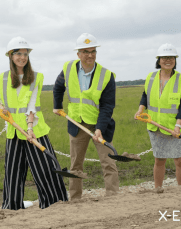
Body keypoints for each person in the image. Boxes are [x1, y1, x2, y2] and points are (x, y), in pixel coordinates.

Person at [0, 36, 68, 210]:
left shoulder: (36, 77)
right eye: (18, 53)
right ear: (11, 56)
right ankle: (12, 206)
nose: (22, 57)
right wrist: (1, 108)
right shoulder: (4, 78)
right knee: (12, 172)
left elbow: (32, 105)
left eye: (25, 54)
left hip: (34, 130)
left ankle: (54, 202)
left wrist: (29, 127)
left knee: (44, 169)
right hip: (13, 131)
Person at [52, 33, 119, 200]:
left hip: (100, 125)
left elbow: (107, 106)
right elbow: (58, 87)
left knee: (108, 161)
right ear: (78, 54)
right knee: (75, 165)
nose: (90, 55)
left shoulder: (106, 75)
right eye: (85, 51)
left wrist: (99, 129)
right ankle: (75, 198)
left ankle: (113, 197)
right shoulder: (68, 68)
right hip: (76, 123)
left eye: (93, 51)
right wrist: (57, 106)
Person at [134, 43, 181, 192]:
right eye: (165, 58)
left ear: (175, 60)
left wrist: (177, 126)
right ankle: (158, 190)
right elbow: (145, 96)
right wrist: (140, 109)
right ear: (159, 60)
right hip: (156, 126)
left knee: (180, 161)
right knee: (159, 159)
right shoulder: (151, 77)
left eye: (171, 58)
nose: (168, 60)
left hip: (178, 128)